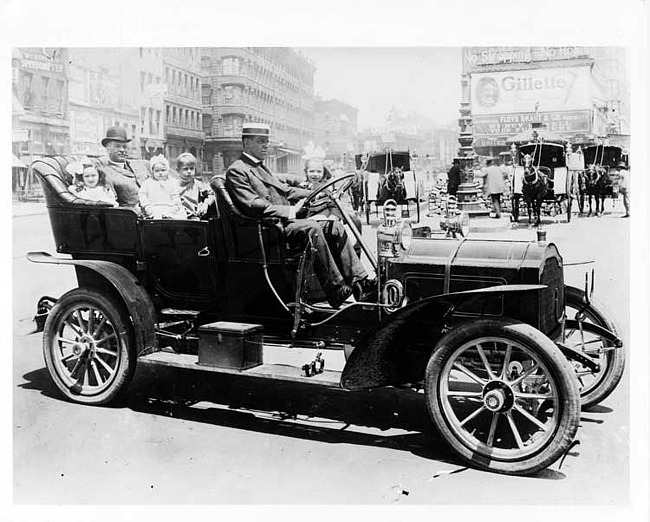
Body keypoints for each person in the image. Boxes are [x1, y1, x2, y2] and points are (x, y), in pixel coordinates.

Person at [225, 123, 375, 309]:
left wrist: (317, 193)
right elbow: (252, 204)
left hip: (284, 222)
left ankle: (361, 284)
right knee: (312, 227)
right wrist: (290, 211)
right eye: (261, 142)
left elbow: (285, 189)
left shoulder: (261, 167)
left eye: (267, 141)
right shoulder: (237, 170)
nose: (266, 146)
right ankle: (335, 289)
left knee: (334, 225)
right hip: (268, 227)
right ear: (246, 143)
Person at [302, 156, 363, 258]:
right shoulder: (302, 187)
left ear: (323, 172)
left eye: (318, 172)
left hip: (331, 216)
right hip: (313, 219)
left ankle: (356, 256)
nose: (315, 175)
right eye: (311, 171)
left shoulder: (329, 185)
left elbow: (340, 203)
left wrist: (335, 215)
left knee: (355, 221)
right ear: (306, 172)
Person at [99, 126, 146, 212]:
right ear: (108, 149)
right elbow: (112, 204)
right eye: (117, 146)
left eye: (124, 146)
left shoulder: (139, 167)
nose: (122, 150)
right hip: (131, 217)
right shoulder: (105, 173)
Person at [139, 155, 187, 220]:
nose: (160, 173)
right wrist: (147, 207)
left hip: (170, 208)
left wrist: (175, 207)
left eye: (163, 170)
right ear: (152, 172)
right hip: (153, 208)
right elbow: (142, 196)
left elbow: (175, 196)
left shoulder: (172, 182)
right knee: (155, 218)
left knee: (179, 216)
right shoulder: (147, 183)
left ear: (167, 170)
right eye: (157, 171)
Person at [175, 152, 214, 219]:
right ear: (178, 170)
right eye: (185, 169)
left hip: (195, 217)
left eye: (192, 168)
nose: (189, 171)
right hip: (178, 217)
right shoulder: (174, 185)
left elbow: (211, 194)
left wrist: (205, 204)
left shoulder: (198, 184)